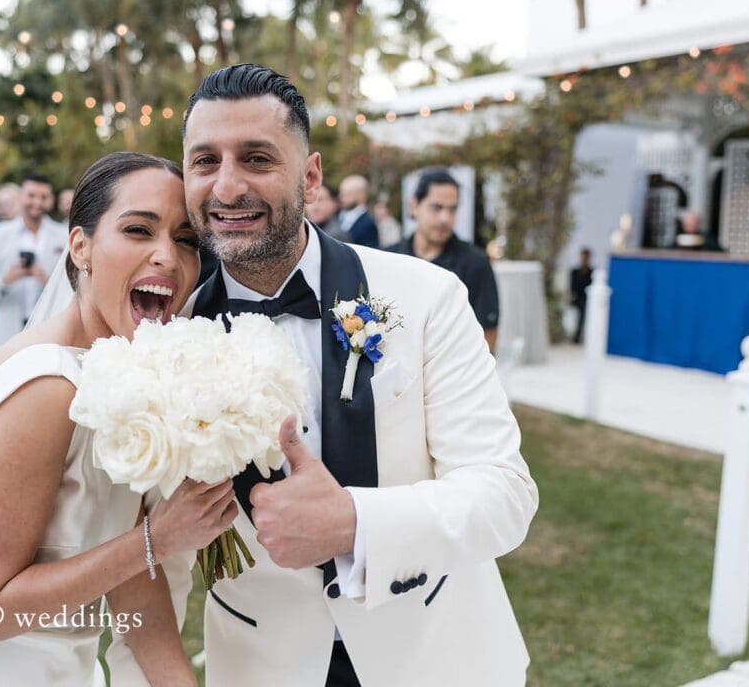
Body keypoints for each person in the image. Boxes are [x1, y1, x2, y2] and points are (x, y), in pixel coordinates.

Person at [182, 64, 537, 687]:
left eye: (257, 158)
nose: (227, 186)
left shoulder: (427, 295)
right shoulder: (169, 336)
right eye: (205, 161)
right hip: (262, 665)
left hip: (431, 652)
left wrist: (353, 522)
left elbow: (503, 493)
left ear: (310, 176)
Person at [0, 153, 233, 686]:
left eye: (186, 240)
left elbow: (135, 586)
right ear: (80, 246)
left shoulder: (112, 377)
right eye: (138, 230)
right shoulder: (47, 386)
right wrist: (156, 539)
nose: (167, 255)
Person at [388, 169, 500, 352]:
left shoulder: (475, 263)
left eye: (452, 209)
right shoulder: (390, 259)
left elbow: (487, 336)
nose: (445, 218)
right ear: (414, 206)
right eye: (436, 207)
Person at [0, 174, 67, 351]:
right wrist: (6, 280)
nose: (37, 202)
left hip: (50, 333)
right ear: (20, 196)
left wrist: (48, 281)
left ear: (51, 200)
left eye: (44, 197)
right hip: (7, 333)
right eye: (31, 195)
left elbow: (74, 290)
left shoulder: (64, 235)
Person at [337, 175, 379, 248]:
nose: (341, 197)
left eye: (347, 194)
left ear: (361, 195)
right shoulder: (338, 216)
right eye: (341, 193)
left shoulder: (368, 224)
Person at [570, 247, 593, 345]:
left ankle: (581, 336)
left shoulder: (592, 272)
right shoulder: (575, 272)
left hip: (589, 300)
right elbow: (573, 288)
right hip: (578, 300)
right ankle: (577, 336)